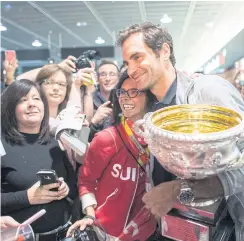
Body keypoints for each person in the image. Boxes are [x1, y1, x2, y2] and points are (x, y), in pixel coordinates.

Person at [117, 22, 244, 240]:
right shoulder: (151, 111)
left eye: (138, 57)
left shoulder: (206, 91)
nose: (131, 70)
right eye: (127, 62)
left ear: (164, 51)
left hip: (226, 228)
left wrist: (180, 190)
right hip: (175, 229)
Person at [66, 71, 157, 241]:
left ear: (150, 95)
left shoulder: (159, 139)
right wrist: (90, 215)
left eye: (134, 91)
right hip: (108, 232)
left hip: (147, 230)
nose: (125, 97)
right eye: (122, 92)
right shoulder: (107, 138)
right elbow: (86, 180)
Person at [1, 79, 78, 241]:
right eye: (23, 100)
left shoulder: (56, 140)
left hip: (63, 234)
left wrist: (64, 189)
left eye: (36, 99)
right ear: (10, 108)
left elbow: (74, 185)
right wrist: (28, 196)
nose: (31, 104)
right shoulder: (2, 144)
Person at [89, 60, 120, 141]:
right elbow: (83, 141)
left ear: (118, 77)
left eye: (112, 74)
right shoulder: (88, 102)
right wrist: (94, 121)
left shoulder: (125, 100)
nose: (108, 78)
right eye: (103, 74)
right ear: (97, 78)